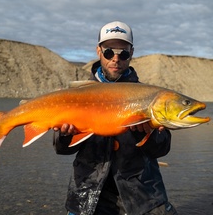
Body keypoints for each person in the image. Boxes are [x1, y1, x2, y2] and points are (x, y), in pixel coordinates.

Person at [53, 21, 178, 215]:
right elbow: (61, 149)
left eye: (123, 53)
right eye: (109, 52)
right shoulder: (77, 95)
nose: (116, 59)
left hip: (142, 195)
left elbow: (162, 148)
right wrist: (65, 134)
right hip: (87, 193)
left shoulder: (149, 96)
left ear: (132, 53)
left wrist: (146, 135)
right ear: (99, 51)